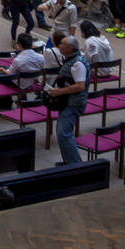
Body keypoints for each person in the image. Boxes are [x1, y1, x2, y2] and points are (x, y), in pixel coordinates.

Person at [47, 35, 90, 165]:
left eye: (62, 45)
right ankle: (69, 162)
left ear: (70, 48)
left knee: (64, 134)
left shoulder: (77, 64)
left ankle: (75, 165)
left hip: (73, 103)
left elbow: (80, 86)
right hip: (68, 102)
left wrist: (59, 92)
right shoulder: (71, 60)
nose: (59, 46)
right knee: (62, 133)